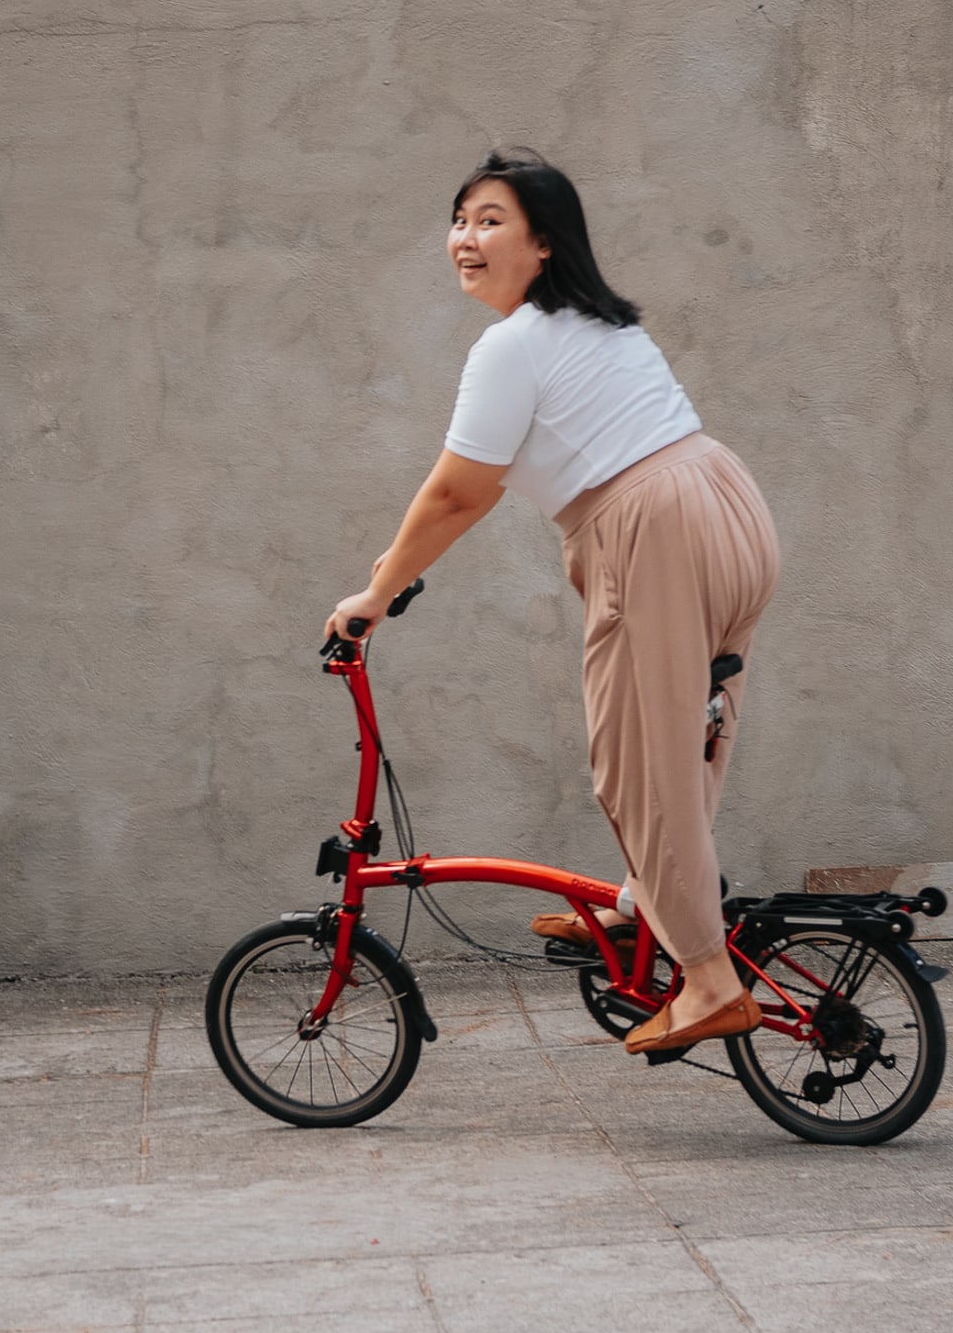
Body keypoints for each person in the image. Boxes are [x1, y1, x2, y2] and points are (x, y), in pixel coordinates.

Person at [326, 150, 782, 1054]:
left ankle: (707, 978)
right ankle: (646, 908)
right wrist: (387, 569)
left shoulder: (513, 344)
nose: (466, 237)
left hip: (650, 529)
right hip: (725, 506)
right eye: (460, 218)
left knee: (637, 765)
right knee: (690, 739)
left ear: (543, 243)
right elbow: (460, 494)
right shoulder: (599, 328)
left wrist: (376, 594)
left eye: (491, 220)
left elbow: (459, 492)